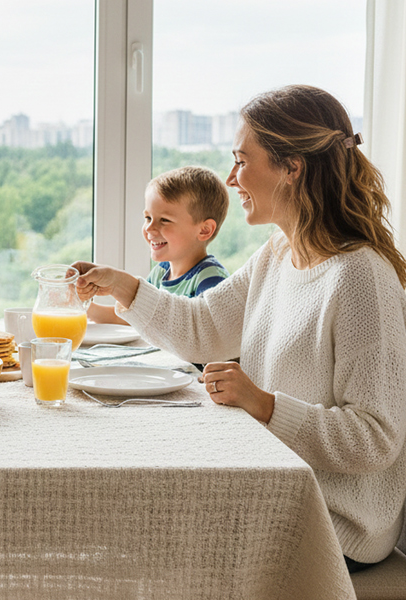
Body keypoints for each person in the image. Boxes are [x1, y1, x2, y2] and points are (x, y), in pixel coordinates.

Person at [72, 85, 406, 572]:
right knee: (133, 491)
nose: (231, 179)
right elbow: (202, 326)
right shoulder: (279, 252)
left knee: (146, 521)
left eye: (242, 161)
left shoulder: (359, 277)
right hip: (279, 483)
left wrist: (262, 403)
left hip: (335, 520)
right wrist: (121, 286)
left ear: (293, 167)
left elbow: (374, 439)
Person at [88, 166, 229, 326]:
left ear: (204, 230)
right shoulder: (160, 272)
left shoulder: (211, 279)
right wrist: (83, 306)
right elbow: (135, 317)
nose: (149, 228)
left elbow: (206, 331)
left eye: (164, 220)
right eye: (148, 218)